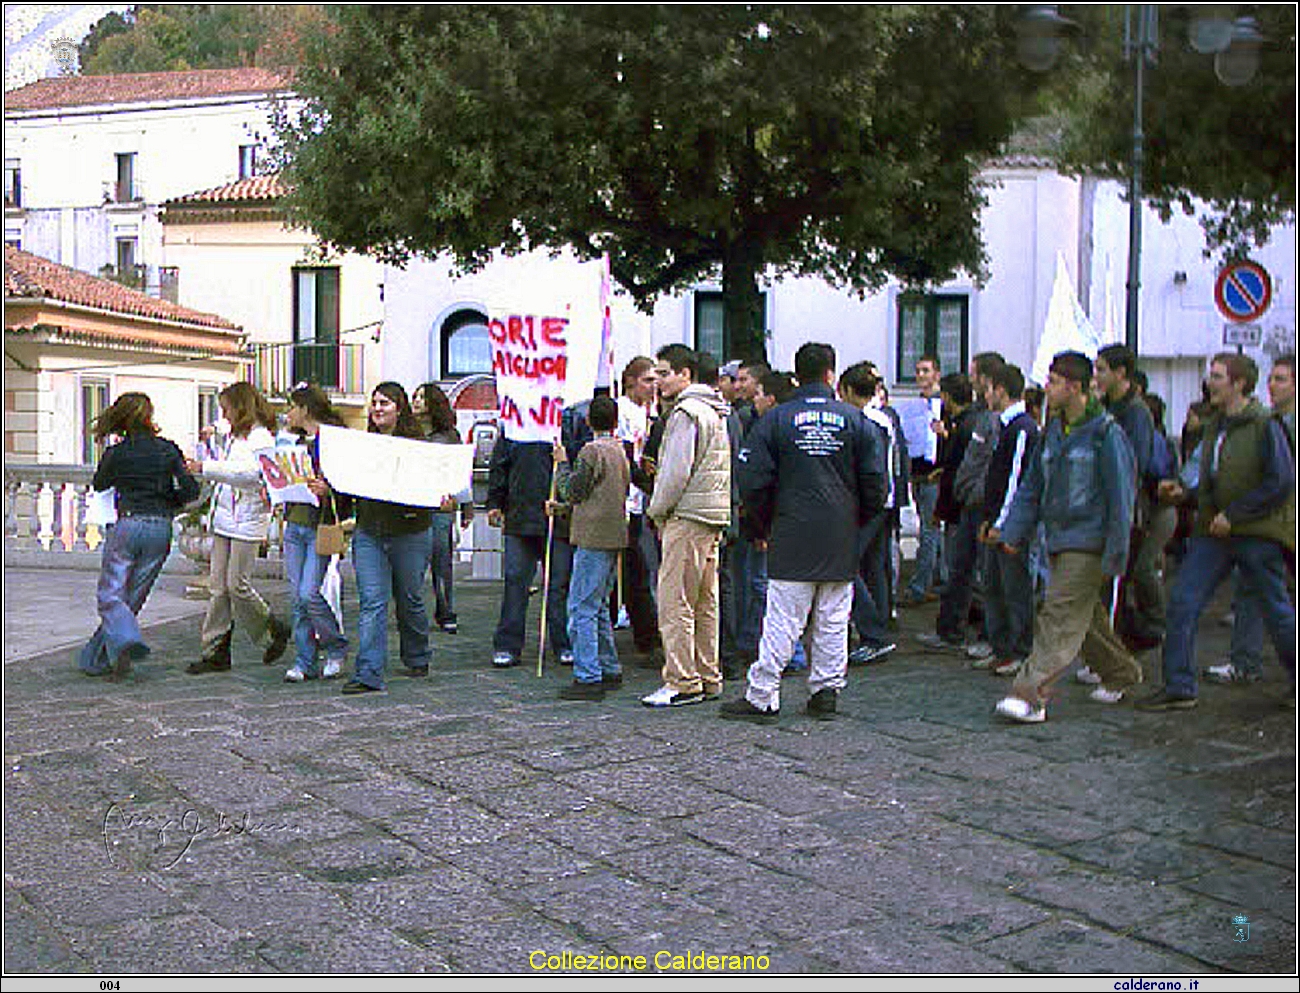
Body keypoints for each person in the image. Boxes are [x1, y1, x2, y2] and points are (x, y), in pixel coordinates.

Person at [721, 342, 885, 722]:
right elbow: (876, 483)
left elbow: (752, 478)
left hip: (791, 529)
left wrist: (762, 524)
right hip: (840, 532)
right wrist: (856, 522)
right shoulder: (856, 420)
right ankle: (825, 689)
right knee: (832, 616)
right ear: (831, 374)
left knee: (783, 617)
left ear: (798, 375)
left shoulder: (777, 420)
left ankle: (763, 694)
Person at [1137, 354, 1295, 712]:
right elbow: (1212, 476)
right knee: (1183, 601)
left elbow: (1281, 481)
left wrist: (1236, 514)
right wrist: (1186, 494)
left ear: (1239, 384)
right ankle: (1179, 686)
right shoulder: (1216, 425)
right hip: (1214, 531)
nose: (1210, 382)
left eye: (1218, 376)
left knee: (1276, 610)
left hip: (1256, 533)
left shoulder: (1265, 425)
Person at [993, 351, 1142, 723]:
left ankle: (1030, 694)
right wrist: (1013, 530)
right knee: (1083, 617)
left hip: (1088, 541)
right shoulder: (1055, 433)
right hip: (1056, 539)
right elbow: (1032, 486)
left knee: (1059, 613)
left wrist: (1116, 554)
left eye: (1054, 382)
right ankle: (1122, 672)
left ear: (1075, 388)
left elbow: (1122, 497)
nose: (1047, 388)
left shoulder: (1106, 434)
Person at [79, 393, 200, 680]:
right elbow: (190, 490)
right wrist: (170, 501)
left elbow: (100, 483)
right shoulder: (168, 449)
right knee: (134, 595)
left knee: (111, 594)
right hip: (160, 526)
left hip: (129, 523)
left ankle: (124, 641)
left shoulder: (117, 453)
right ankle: (97, 655)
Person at [642, 344, 732, 707]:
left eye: (664, 373)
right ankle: (708, 675)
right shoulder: (715, 410)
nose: (658, 381)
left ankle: (682, 680)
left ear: (685, 374)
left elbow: (674, 474)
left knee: (675, 601)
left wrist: (656, 510)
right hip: (712, 515)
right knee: (705, 602)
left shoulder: (685, 413)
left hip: (687, 515)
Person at [186, 382, 290, 675]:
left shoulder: (261, 439)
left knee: (237, 584)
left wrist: (206, 467)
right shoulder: (238, 438)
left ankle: (270, 626)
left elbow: (251, 475)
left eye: (227, 408)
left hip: (247, 519)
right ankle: (214, 649)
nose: (225, 414)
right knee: (218, 586)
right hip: (227, 518)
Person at [1204, 355, 1297, 685]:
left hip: (1280, 524)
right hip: (1266, 524)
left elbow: (1281, 480)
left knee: (1273, 600)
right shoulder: (1270, 422)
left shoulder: (1281, 425)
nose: (1272, 385)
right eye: (1271, 378)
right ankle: (1246, 661)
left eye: (1282, 379)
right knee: (1255, 592)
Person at [345, 382, 436, 694]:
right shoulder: (363, 446)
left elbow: (431, 485)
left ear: (400, 408)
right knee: (373, 601)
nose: (377, 408)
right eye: (374, 403)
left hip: (410, 532)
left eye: (385, 402)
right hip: (370, 531)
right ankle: (368, 671)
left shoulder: (417, 444)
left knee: (409, 598)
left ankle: (417, 654)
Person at [552, 396, 631, 701]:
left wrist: (561, 464)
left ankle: (588, 674)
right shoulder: (620, 450)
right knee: (598, 606)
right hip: (614, 533)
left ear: (588, 422)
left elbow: (573, 490)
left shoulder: (591, 451)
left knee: (581, 607)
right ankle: (608, 666)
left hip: (593, 535)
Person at [280, 384, 351, 683]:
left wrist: (329, 489)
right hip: (294, 522)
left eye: (292, 406)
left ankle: (335, 645)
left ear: (306, 409)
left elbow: (348, 481)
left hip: (318, 526)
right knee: (298, 596)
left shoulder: (334, 441)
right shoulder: (293, 442)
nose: (288, 413)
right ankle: (304, 660)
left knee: (309, 592)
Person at [487, 430, 574, 670]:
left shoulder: (566, 425)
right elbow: (500, 464)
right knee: (516, 582)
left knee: (558, 585)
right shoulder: (515, 425)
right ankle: (507, 644)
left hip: (557, 519)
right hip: (520, 515)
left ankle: (564, 642)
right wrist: (495, 501)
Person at [977, 363, 1040, 677]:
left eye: (988, 388)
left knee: (1014, 589)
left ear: (1000, 390)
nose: (985, 395)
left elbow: (1015, 481)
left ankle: (1019, 649)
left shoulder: (1021, 428)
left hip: (1009, 527)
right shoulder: (1006, 426)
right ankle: (1000, 646)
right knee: (993, 586)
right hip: (996, 522)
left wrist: (1002, 524)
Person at [839, 362, 898, 666]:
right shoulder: (883, 418)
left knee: (847, 564)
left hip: (870, 504)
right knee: (874, 567)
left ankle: (873, 634)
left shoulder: (865, 421)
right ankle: (880, 625)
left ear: (847, 391)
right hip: (884, 501)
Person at [916, 372, 979, 653]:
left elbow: (959, 470)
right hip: (957, 505)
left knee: (960, 571)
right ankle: (952, 625)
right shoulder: (964, 423)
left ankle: (953, 629)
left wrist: (942, 509)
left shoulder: (966, 426)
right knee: (959, 569)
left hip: (960, 506)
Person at [414, 382, 474, 634]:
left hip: (440, 507)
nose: (415, 401)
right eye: (414, 397)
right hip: (415, 505)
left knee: (441, 562)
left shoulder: (449, 437)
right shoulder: (409, 434)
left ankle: (445, 610)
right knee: (412, 564)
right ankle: (412, 610)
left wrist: (465, 505)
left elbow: (461, 473)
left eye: (421, 397)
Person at [615, 357, 660, 657]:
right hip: (624, 500)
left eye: (656, 380)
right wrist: (648, 484)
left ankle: (645, 631)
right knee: (632, 567)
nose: (653, 386)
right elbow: (627, 459)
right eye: (647, 380)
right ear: (631, 382)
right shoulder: (624, 411)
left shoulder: (649, 413)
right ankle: (644, 634)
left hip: (638, 501)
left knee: (637, 567)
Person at [900, 355, 945, 605]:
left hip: (933, 476)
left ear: (936, 375)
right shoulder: (914, 407)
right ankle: (936, 578)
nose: (921, 376)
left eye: (926, 371)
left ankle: (921, 584)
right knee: (930, 530)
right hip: (917, 474)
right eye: (917, 371)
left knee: (929, 531)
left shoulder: (943, 405)